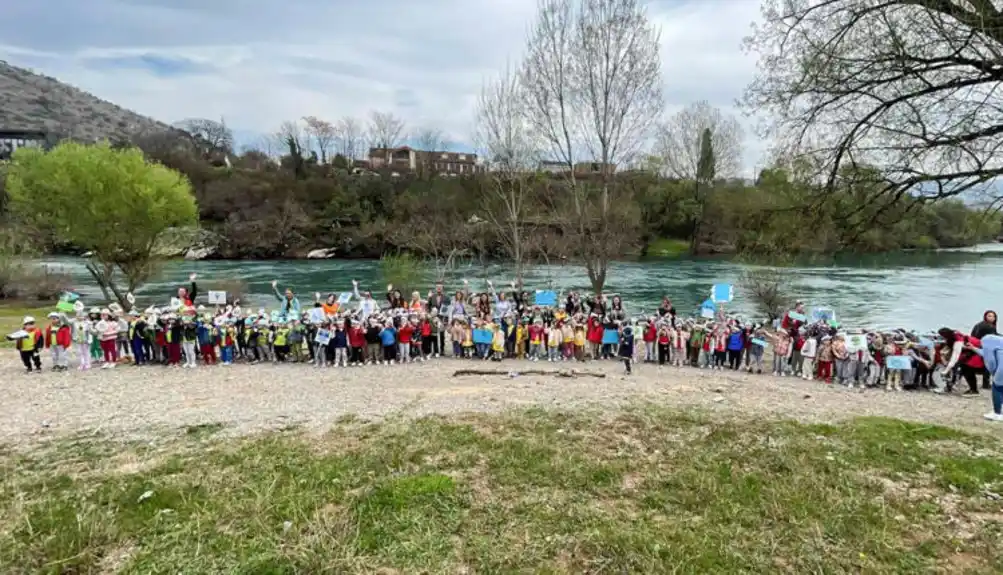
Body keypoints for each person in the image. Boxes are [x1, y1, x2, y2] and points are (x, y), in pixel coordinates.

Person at [938, 327, 984, 395]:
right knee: (959, 368)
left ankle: (974, 390)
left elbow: (955, 358)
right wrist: (945, 361)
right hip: (968, 351)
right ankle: (950, 386)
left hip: (977, 351)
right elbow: (947, 352)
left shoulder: (958, 340)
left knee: (966, 369)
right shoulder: (952, 337)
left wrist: (946, 370)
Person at [973, 334, 1003, 421]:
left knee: (996, 387)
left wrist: (993, 372)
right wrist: (973, 348)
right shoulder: (998, 341)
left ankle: (997, 414)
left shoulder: (986, 340)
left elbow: (990, 361)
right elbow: (985, 353)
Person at [972, 310, 998, 389]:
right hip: (983, 346)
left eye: (993, 316)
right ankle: (986, 384)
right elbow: (994, 338)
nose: (992, 318)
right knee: (988, 365)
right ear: (985, 316)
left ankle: (985, 383)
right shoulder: (989, 326)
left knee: (985, 364)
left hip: (976, 345)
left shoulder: (979, 324)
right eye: (989, 316)